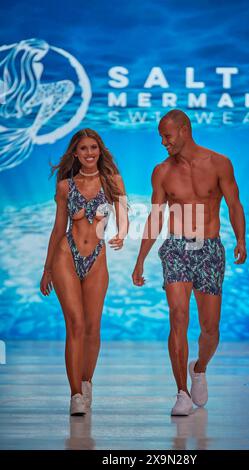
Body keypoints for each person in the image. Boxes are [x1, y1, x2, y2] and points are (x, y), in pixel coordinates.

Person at [132, 110, 246, 416]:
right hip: (176, 248)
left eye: (167, 136)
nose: (163, 142)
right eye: (160, 137)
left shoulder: (219, 163)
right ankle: (181, 392)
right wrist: (141, 259)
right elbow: (156, 216)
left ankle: (200, 367)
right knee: (178, 315)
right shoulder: (162, 171)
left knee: (210, 329)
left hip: (209, 249)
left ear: (184, 130)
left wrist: (240, 239)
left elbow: (234, 203)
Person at [40, 129, 128, 416]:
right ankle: (75, 395)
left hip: (97, 258)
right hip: (67, 254)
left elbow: (124, 213)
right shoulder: (65, 186)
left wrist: (122, 234)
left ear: (99, 150)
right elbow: (58, 228)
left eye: (93, 147)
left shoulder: (112, 181)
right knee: (75, 325)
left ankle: (86, 381)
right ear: (75, 154)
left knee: (92, 328)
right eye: (83, 149)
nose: (89, 153)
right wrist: (47, 268)